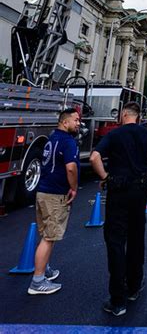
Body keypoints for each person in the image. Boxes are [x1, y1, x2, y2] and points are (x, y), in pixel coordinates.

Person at [90, 102, 147, 316]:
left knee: (115, 241)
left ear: (124, 115)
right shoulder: (146, 134)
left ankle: (117, 300)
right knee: (136, 238)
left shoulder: (115, 135)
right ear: (138, 116)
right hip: (139, 191)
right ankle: (133, 287)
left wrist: (105, 177)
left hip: (118, 190)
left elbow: (94, 157)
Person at [28, 107, 81, 295]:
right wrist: (73, 188)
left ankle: (45, 269)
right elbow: (71, 168)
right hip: (55, 194)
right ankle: (37, 281)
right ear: (64, 122)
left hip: (43, 191)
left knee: (46, 234)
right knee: (50, 237)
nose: (78, 123)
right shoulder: (68, 142)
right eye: (75, 120)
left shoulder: (52, 138)